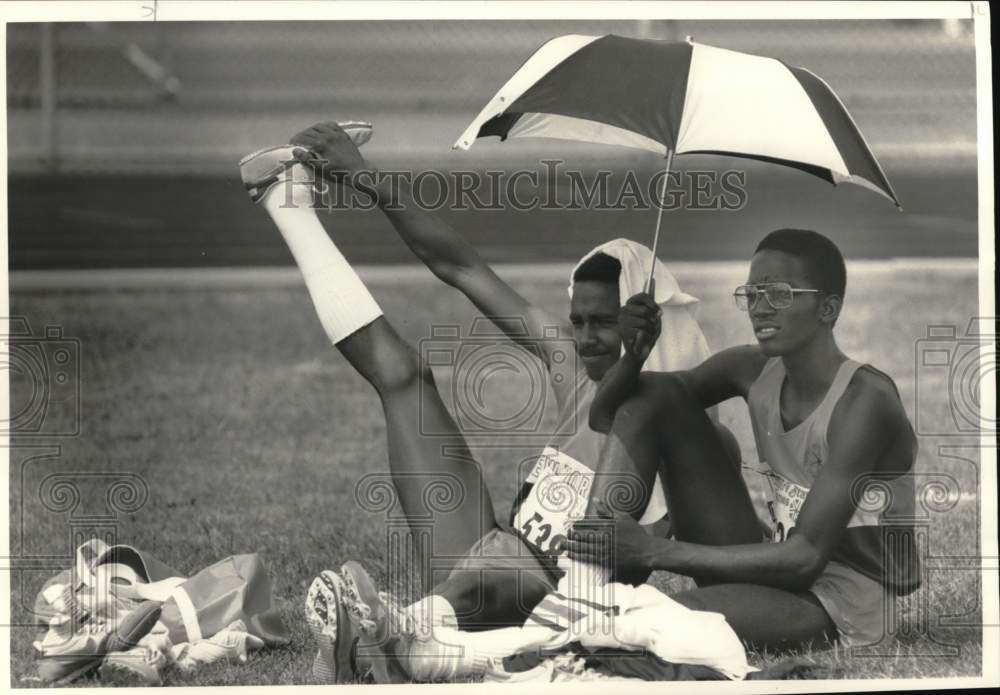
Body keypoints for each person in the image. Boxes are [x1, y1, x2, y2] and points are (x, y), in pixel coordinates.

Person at [238, 121, 735, 682]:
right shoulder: (572, 365)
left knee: (504, 565)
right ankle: (285, 199)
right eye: (579, 321)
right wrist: (365, 179)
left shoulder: (693, 433)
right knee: (403, 376)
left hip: (554, 605)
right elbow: (462, 267)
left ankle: (402, 630)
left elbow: (701, 553)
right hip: (486, 559)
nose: (585, 338)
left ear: (648, 326)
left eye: (606, 324)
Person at [567, 228, 922, 653]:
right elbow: (610, 414)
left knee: (646, 624)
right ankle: (580, 590)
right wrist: (635, 355)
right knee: (657, 396)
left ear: (828, 308)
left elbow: (804, 557)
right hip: (776, 571)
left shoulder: (866, 402)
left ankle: (585, 616)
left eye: (779, 294)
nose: (759, 307)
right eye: (752, 294)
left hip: (838, 604)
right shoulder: (751, 368)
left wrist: (653, 551)